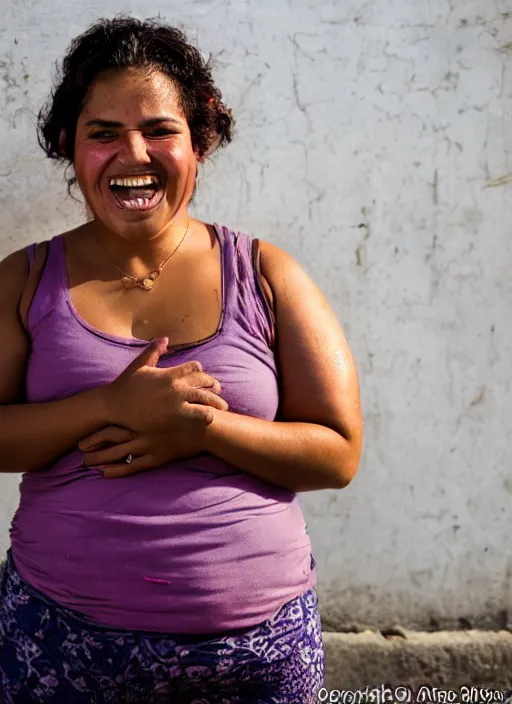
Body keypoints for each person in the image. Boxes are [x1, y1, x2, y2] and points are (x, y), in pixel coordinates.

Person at [0, 16, 363, 704]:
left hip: (259, 660)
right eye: (102, 133)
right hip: (62, 646)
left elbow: (339, 453)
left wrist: (202, 429)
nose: (132, 154)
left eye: (159, 131)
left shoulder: (265, 273)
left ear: (200, 141)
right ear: (67, 148)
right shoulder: (24, 281)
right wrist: (107, 406)